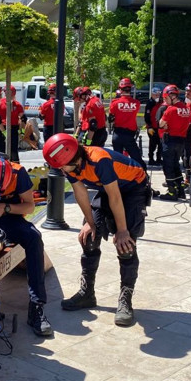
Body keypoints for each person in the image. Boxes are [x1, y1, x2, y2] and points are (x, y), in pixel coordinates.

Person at [43, 133, 149, 327]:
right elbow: (80, 192)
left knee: (126, 246)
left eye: (59, 166)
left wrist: (122, 230)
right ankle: (87, 294)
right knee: (89, 238)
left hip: (132, 189)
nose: (58, 169)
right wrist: (90, 223)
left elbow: (115, 197)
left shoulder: (100, 161)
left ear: (72, 158)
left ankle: (126, 301)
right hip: (107, 188)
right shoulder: (69, 165)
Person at [0, 156, 52, 336]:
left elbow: (29, 207)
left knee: (34, 237)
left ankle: (36, 306)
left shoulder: (18, 173)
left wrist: (5, 207)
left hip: (10, 217)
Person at [157, 84, 190, 201]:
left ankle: (172, 191)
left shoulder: (171, 110)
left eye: (166, 98)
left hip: (170, 140)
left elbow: (160, 124)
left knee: (168, 166)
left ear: (172, 96)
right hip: (181, 141)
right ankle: (181, 190)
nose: (165, 101)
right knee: (176, 165)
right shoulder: (186, 109)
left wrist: (166, 124)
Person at [109, 78, 143, 165]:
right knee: (136, 158)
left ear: (120, 89)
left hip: (118, 134)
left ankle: (119, 177)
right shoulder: (136, 103)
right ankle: (143, 174)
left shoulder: (115, 103)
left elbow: (111, 118)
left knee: (117, 160)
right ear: (130, 89)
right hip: (130, 135)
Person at [0, 85, 24, 161]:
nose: (7, 95)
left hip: (14, 128)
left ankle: (15, 165)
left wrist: (22, 133)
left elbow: (22, 120)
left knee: (13, 149)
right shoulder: (0, 103)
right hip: (2, 127)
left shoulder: (18, 105)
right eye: (6, 93)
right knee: (3, 149)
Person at [144, 86, 164, 165]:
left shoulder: (161, 103)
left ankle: (159, 159)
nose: (157, 96)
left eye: (158, 95)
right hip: (152, 127)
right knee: (152, 144)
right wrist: (149, 126)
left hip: (160, 127)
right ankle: (151, 159)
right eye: (156, 95)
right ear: (152, 94)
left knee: (160, 144)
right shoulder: (150, 103)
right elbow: (147, 116)